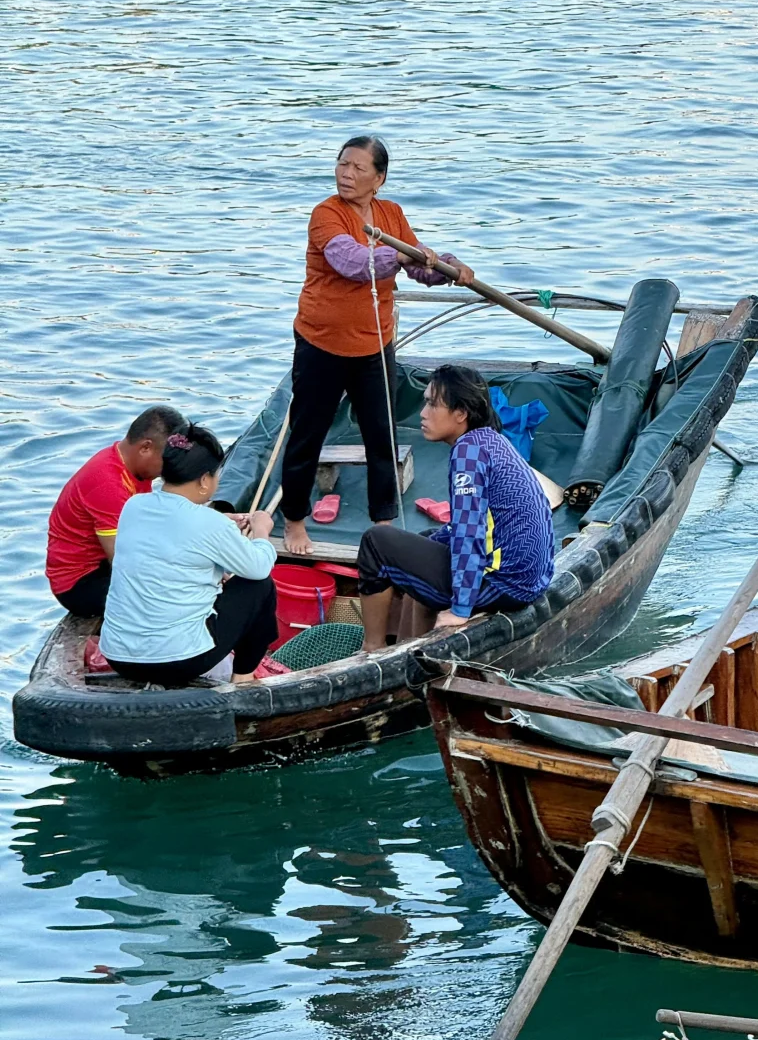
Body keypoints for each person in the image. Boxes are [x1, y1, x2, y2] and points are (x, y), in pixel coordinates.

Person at [280, 135, 476, 557]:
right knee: (307, 434)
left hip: (373, 344)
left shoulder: (391, 214)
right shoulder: (326, 215)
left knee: (381, 435)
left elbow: (419, 271)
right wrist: (406, 256)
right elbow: (352, 263)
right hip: (321, 343)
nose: (346, 174)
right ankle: (295, 520)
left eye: (358, 168)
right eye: (342, 164)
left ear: (379, 179)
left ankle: (383, 523)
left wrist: (446, 267)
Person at [355, 364, 555, 650]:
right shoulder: (491, 440)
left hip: (503, 584)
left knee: (376, 542)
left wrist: (460, 610)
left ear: (461, 414)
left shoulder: (468, 453)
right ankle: (408, 639)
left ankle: (371, 648)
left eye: (432, 405)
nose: (423, 413)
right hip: (530, 579)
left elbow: (469, 532)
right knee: (424, 540)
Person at [100, 424, 279, 686]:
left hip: (118, 655)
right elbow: (259, 566)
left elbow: (176, 534)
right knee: (259, 586)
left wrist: (220, 524)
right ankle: (243, 679)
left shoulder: (134, 505)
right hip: (178, 660)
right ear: (205, 480)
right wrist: (262, 531)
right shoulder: (209, 524)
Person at [46, 405, 185, 617]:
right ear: (145, 447)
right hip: (80, 582)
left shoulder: (132, 468)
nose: (166, 471)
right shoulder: (108, 484)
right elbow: (123, 560)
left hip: (104, 564)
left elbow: (150, 523)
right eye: (166, 461)